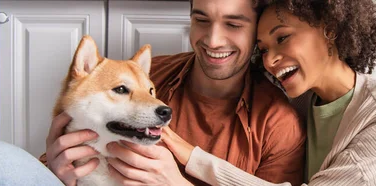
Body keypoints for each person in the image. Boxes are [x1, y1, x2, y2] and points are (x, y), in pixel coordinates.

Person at [160, 0, 376, 185]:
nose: (269, 60)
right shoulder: (297, 97)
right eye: (263, 48)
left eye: (282, 38)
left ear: (330, 30)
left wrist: (191, 157)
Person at [40, 0, 306, 185]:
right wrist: (53, 171)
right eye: (201, 20)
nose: (213, 40)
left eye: (233, 25)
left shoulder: (278, 126)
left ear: (257, 32)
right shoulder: (145, 75)